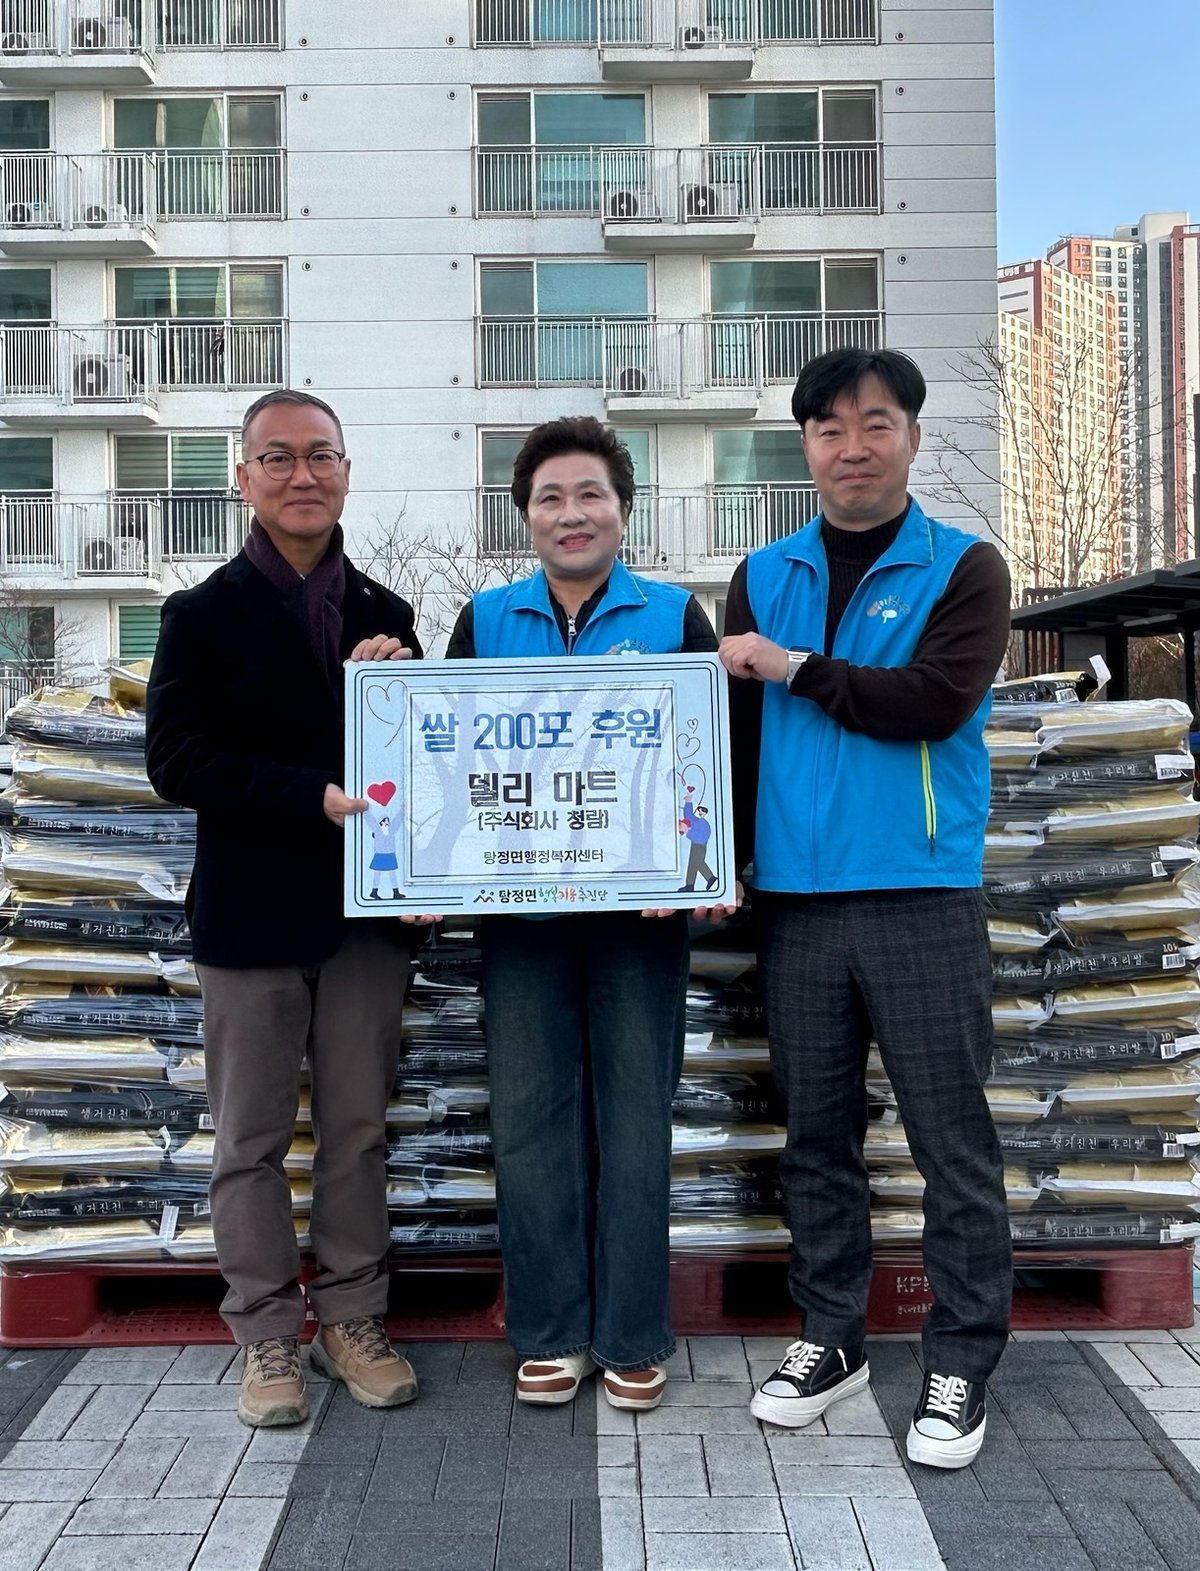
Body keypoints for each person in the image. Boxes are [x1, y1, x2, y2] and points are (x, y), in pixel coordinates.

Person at [719, 348, 1012, 1469]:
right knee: (818, 1138)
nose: (854, 447)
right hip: (797, 900)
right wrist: (720, 860)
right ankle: (832, 1332)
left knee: (951, 1139)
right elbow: (736, 740)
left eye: (876, 423)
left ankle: (961, 1355)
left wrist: (794, 665)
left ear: (913, 438)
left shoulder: (964, 567)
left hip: (919, 890)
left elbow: (934, 702)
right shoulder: (763, 572)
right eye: (830, 428)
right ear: (804, 445)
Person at [146, 389, 423, 1428]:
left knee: (355, 1130)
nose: (302, 474)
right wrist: (306, 794)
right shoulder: (200, 614)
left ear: (347, 470)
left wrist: (399, 687)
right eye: (278, 457)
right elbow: (176, 759)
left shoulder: (388, 612)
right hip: (250, 915)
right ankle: (266, 1329)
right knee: (250, 1138)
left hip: (364, 920)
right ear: (244, 477)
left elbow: (418, 759)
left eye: (321, 455)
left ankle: (353, 1318)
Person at [446, 415, 722, 1411]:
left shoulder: (676, 616)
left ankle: (633, 1332)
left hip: (640, 918)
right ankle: (553, 1328)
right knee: (529, 1116)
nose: (572, 513)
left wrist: (707, 865)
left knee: (637, 1115)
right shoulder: (485, 619)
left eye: (590, 494)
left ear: (622, 510)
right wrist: (420, 877)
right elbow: (446, 761)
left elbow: (711, 760)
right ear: (525, 515)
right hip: (519, 915)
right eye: (551, 497)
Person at [678, 790, 717, 892]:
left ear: (704, 813)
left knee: (697, 862)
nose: (699, 812)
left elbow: (701, 836)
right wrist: (689, 801)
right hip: (695, 845)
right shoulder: (696, 821)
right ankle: (690, 885)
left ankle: (710, 877)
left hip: (700, 846)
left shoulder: (703, 824)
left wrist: (688, 832)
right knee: (692, 864)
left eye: (701, 811)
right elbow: (688, 815)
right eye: (698, 810)